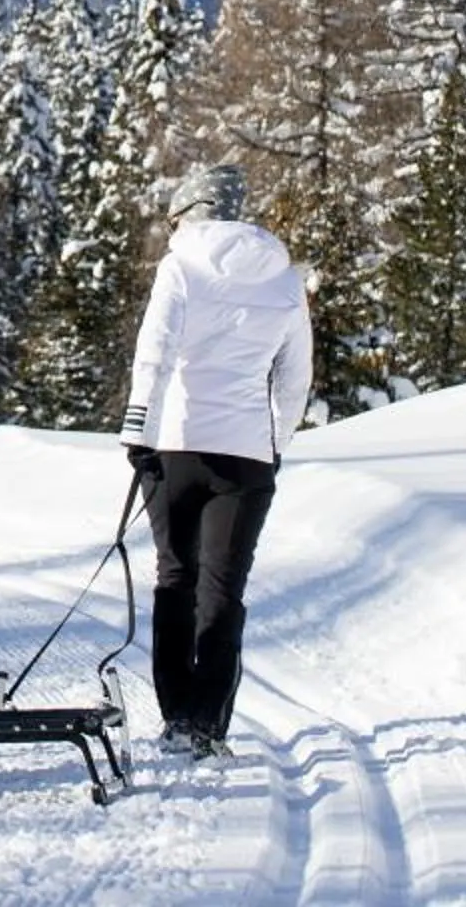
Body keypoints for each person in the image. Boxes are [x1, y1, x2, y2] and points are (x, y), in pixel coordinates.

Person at [116, 161, 312, 759]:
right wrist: (277, 440)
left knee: (176, 577)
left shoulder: (179, 267)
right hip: (247, 456)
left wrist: (137, 429)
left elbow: (155, 351)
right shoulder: (285, 280)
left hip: (174, 444)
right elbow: (294, 375)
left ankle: (176, 716)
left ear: (190, 212)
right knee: (224, 589)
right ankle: (208, 722)